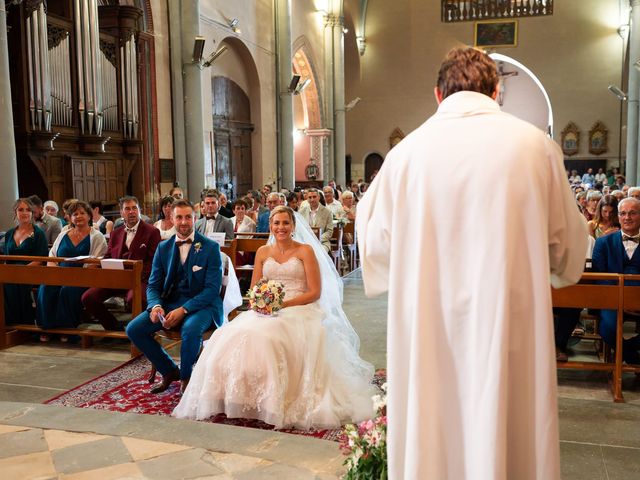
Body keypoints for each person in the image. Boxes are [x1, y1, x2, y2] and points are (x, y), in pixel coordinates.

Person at [356, 47, 587, 480]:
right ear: (497, 91)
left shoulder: (405, 155)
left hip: (429, 333)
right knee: (512, 430)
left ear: (437, 95)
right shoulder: (536, 147)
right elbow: (568, 254)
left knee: (432, 432)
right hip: (509, 330)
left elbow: (374, 248)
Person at [173, 206, 375, 429]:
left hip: (299, 306)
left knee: (269, 337)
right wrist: (260, 304)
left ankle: (274, 401)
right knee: (229, 334)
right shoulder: (263, 252)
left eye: (285, 223)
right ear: (270, 226)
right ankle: (235, 397)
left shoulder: (305, 251)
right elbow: (254, 289)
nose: (281, 228)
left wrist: (282, 304)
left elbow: (314, 292)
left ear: (293, 226)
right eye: (276, 223)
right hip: (266, 308)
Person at [126, 200, 223, 394]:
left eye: (188, 217)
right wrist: (155, 306)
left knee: (190, 329)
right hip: (169, 303)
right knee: (134, 329)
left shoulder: (210, 247)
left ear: (195, 219)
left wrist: (184, 309)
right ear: (171, 219)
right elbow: (153, 285)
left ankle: (187, 377)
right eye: (179, 217)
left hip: (202, 306)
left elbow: (212, 289)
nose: (184, 222)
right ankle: (169, 371)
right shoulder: (164, 248)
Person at [82, 196, 161, 331]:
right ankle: (113, 327)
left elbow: (154, 261)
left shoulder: (152, 232)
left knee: (134, 299)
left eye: (134, 208)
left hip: (139, 279)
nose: (131, 212)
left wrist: (135, 275)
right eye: (127, 209)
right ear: (121, 212)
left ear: (139, 210)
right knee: (88, 297)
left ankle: (140, 331)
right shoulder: (115, 233)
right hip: (116, 278)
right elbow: (107, 256)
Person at [37, 201, 108, 333]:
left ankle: (66, 329)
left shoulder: (97, 237)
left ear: (89, 216)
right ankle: (46, 327)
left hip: (84, 278)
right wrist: (54, 272)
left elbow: (97, 261)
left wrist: (75, 276)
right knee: (46, 286)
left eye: (82, 213)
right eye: (75, 214)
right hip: (60, 275)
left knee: (67, 290)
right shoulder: (63, 234)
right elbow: (52, 256)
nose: (79, 216)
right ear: (70, 217)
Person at [592, 197, 640, 365]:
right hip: (612, 300)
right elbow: (600, 278)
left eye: (633, 213)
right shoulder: (602, 243)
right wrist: (621, 300)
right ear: (618, 217)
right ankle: (635, 360)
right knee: (608, 329)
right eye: (623, 213)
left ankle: (630, 348)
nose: (627, 217)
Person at [3, 198, 48, 325]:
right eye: (21, 210)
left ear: (32, 213)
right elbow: (7, 258)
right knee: (4, 283)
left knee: (13, 284)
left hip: (32, 270)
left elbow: (40, 259)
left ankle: (24, 323)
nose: (25, 213)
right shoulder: (9, 234)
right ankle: (9, 323)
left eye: (28, 210)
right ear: (15, 213)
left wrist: (21, 271)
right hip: (12, 272)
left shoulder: (38, 233)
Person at [298, 189, 334, 253]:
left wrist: (317, 239)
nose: (312, 199)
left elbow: (329, 231)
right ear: (307, 199)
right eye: (310, 197)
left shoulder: (327, 212)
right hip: (305, 242)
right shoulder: (301, 212)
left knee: (318, 252)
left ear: (319, 197)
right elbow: (299, 229)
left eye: (314, 197)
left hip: (322, 242)